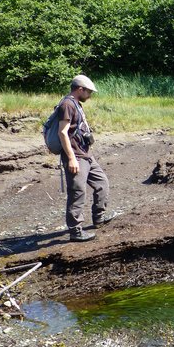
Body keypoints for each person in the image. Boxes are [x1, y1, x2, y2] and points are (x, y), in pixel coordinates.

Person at [57, 74, 116, 242]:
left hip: (86, 154)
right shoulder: (67, 104)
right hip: (76, 156)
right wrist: (71, 159)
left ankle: (99, 217)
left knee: (102, 183)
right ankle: (75, 231)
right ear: (80, 89)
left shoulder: (77, 104)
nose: (90, 95)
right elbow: (62, 132)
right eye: (89, 92)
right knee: (77, 192)